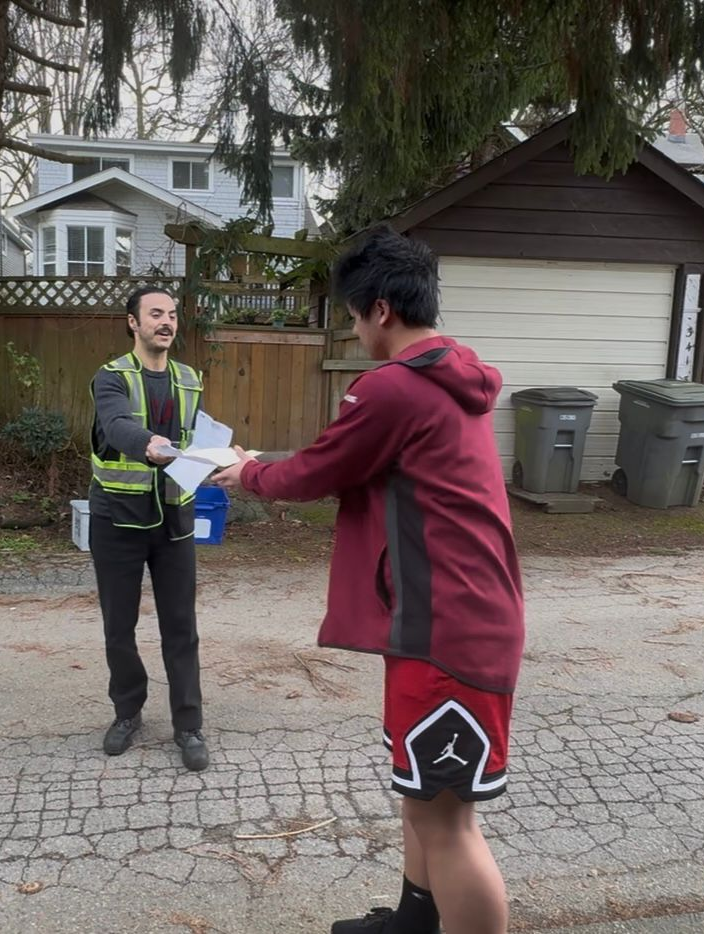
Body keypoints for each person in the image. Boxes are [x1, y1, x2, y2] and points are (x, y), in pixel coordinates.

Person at [214, 226, 524, 934]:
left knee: (449, 821)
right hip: (446, 620)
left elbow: (318, 471)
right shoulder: (449, 377)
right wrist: (264, 462)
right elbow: (347, 459)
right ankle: (416, 922)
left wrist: (245, 473)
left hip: (447, 630)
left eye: (353, 315)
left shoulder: (393, 390)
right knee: (424, 796)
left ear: (380, 309)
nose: (354, 331)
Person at [86, 285, 209, 772]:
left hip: (174, 521)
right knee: (120, 627)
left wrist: (224, 459)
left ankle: (189, 725)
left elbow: (198, 440)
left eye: (173, 315)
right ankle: (127, 713)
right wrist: (148, 444)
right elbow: (115, 426)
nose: (166, 322)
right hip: (117, 518)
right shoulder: (111, 377)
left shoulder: (189, 378)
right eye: (155, 314)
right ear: (133, 322)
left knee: (182, 628)